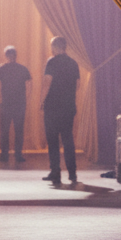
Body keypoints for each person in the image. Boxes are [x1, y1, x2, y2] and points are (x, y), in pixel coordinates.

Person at [41, 36, 79, 186]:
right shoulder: (73, 63)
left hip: (53, 106)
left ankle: (55, 172)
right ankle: (73, 173)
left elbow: (47, 83)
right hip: (69, 106)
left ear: (55, 47)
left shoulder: (52, 61)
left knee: (53, 140)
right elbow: (78, 84)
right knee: (68, 139)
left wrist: (41, 101)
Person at [0, 45, 31, 163]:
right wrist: (26, 98)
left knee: (4, 130)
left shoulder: (0, 69)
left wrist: (0, 100)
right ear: (16, 55)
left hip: (6, 103)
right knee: (19, 130)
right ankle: (18, 155)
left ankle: (4, 155)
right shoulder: (23, 68)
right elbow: (30, 85)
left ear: (5, 56)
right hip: (20, 103)